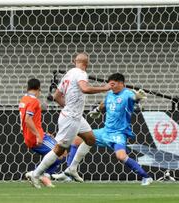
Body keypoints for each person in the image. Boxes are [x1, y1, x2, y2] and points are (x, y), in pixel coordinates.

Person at [25, 53, 111, 188]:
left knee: (90, 139)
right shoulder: (81, 73)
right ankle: (36, 174)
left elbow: (56, 96)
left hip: (75, 116)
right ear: (87, 64)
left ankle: (72, 168)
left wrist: (69, 107)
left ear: (74, 61)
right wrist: (104, 88)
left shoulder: (68, 74)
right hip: (71, 118)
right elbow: (85, 88)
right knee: (59, 150)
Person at [54, 73, 153, 186]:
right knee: (77, 139)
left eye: (113, 84)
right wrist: (97, 110)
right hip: (105, 131)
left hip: (118, 133)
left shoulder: (127, 94)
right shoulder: (110, 94)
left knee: (121, 156)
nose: (110, 87)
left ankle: (146, 177)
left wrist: (137, 98)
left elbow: (133, 98)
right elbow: (103, 104)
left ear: (121, 83)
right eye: (109, 84)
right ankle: (69, 173)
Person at [19, 78, 63, 188]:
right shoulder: (34, 101)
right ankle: (37, 174)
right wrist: (38, 135)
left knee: (57, 153)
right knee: (61, 153)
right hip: (36, 137)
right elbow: (28, 119)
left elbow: (24, 122)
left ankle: (43, 175)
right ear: (39, 88)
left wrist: (42, 132)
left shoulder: (23, 100)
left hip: (30, 136)